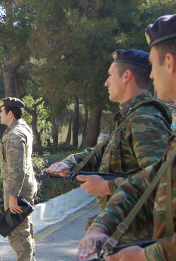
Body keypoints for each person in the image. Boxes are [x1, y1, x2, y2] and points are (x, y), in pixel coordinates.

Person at [77, 15, 176, 261]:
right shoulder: (132, 117)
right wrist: (101, 226)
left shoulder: (145, 116)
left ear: (169, 62)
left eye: (155, 65)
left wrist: (150, 259)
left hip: (145, 246)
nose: (153, 76)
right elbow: (151, 177)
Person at [45, 49, 171, 213]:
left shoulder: (144, 119)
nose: (106, 82)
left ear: (126, 76)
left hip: (139, 234)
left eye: (111, 76)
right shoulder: (131, 115)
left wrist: (108, 186)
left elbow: (161, 180)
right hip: (124, 228)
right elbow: (104, 151)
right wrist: (70, 163)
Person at [0, 97, 38, 261]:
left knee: (17, 231)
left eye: (2, 111)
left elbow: (17, 168)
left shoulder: (15, 135)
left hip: (18, 189)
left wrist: (13, 195)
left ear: (10, 113)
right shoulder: (23, 128)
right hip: (23, 187)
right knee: (25, 229)